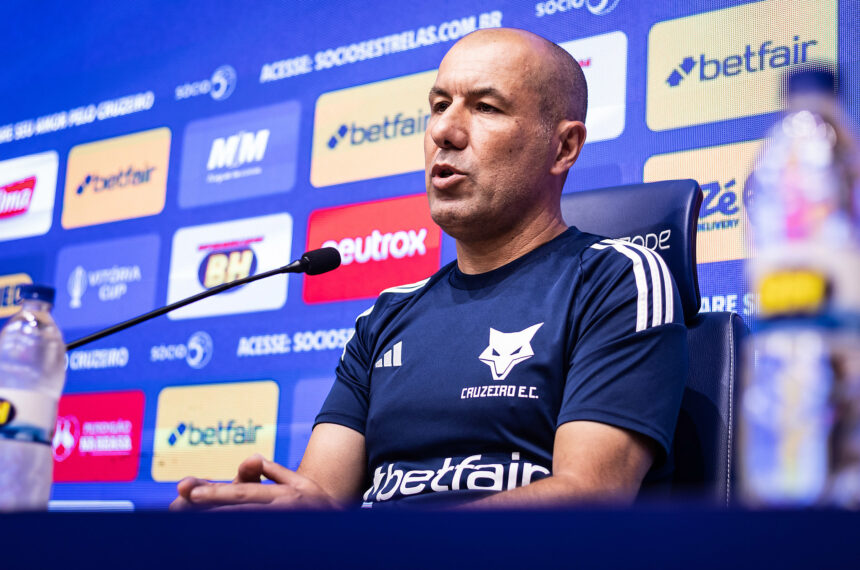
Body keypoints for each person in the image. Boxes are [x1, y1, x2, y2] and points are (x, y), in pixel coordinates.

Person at [171, 27, 687, 510]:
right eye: (439, 106)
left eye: (485, 107)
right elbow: (321, 498)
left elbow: (591, 494)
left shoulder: (618, 279)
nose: (444, 130)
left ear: (564, 146)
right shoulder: (387, 316)